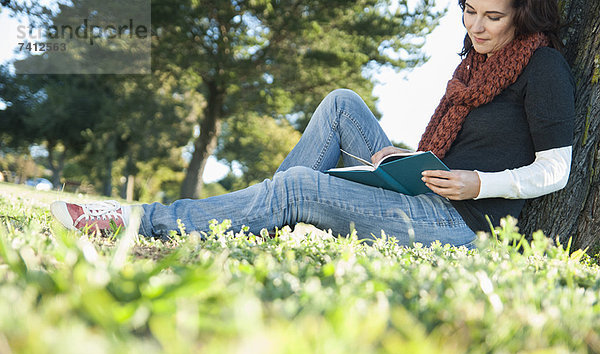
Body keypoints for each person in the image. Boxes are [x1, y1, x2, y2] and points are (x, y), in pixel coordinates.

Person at [51, 0, 575, 248]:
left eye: (492, 17)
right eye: (468, 11)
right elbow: (450, 154)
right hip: (426, 191)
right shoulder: (473, 68)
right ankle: (265, 208)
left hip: (461, 225)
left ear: (523, 14)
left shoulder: (542, 66)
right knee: (343, 103)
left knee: (297, 186)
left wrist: (479, 184)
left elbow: (558, 169)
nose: (475, 27)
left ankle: (141, 219)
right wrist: (399, 164)